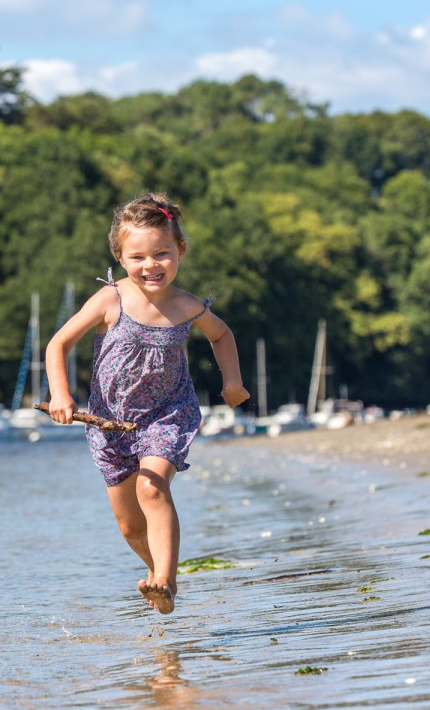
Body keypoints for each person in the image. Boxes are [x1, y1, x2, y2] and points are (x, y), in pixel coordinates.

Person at [45, 192, 250, 615]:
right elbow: (59, 343)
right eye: (137, 256)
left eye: (162, 253)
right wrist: (61, 394)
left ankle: (166, 580)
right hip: (107, 422)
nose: (150, 265)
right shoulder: (110, 300)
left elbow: (222, 335)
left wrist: (233, 382)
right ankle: (158, 577)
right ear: (120, 256)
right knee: (128, 524)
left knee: (151, 489)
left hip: (168, 414)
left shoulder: (188, 306)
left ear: (181, 252)